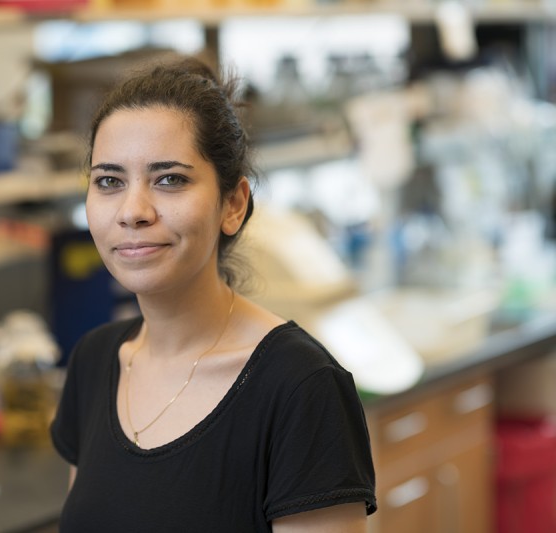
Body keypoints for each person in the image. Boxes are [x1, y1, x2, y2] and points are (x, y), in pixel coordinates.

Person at [50, 56, 377, 532]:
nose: (132, 211)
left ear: (233, 204)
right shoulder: (94, 362)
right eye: (109, 181)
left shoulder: (300, 386)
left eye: (170, 179)